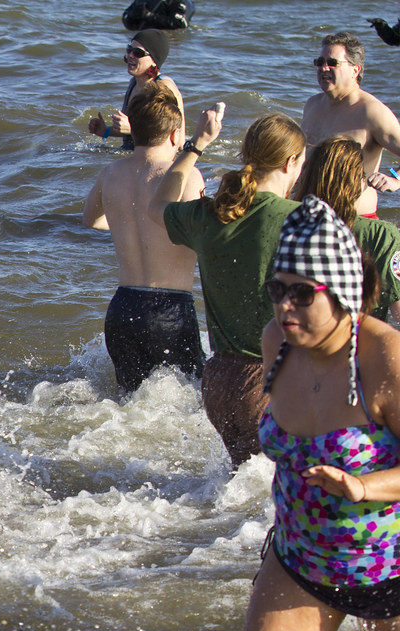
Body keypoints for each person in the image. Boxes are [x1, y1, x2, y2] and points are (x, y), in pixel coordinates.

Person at [241, 195, 400, 631]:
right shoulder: (278, 342)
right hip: (301, 557)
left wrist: (363, 486)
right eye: (277, 289)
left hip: (390, 568)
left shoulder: (384, 358)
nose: (285, 306)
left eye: (303, 294)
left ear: (345, 291)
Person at [149, 112, 306, 468]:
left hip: (218, 382)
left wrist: (196, 146)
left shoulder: (210, 215)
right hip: (270, 380)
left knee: (240, 488)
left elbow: (155, 208)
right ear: (291, 162)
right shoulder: (300, 218)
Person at [82, 83, 205, 391]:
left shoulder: (110, 173)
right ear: (176, 135)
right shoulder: (185, 174)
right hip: (170, 310)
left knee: (129, 405)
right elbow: (199, 235)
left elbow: (91, 220)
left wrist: (128, 224)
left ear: (132, 131)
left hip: (122, 308)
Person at [294, 135, 400, 323]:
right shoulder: (381, 235)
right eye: (362, 176)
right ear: (355, 183)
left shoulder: (292, 223)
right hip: (358, 344)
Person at [301, 31, 400, 217]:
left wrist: (395, 179)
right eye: (320, 62)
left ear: (356, 70)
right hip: (311, 216)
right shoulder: (312, 105)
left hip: (356, 220)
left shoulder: (372, 111)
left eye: (332, 63)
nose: (324, 68)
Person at [87, 29, 184, 151]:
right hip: (133, 154)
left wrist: (131, 129)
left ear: (154, 60)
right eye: (129, 50)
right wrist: (106, 131)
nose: (130, 55)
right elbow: (132, 131)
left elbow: (176, 141)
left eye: (138, 53)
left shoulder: (164, 87)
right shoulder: (133, 83)